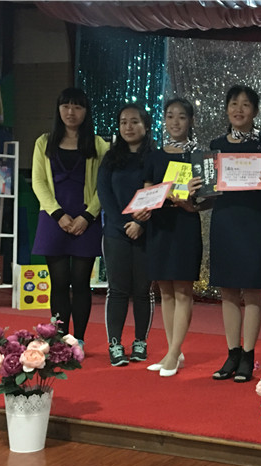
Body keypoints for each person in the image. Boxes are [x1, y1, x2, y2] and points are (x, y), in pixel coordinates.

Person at [206, 85, 261, 383]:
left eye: (246, 104)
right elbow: (208, 188)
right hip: (225, 220)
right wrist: (200, 186)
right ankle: (232, 353)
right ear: (226, 109)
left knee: (251, 289)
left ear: (256, 110)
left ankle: (248, 355)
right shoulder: (215, 145)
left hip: (256, 221)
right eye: (233, 104)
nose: (239, 109)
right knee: (227, 289)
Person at [31, 87, 109, 347]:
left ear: (86, 111)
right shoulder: (44, 142)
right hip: (53, 219)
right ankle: (59, 340)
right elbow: (38, 182)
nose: (71, 112)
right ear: (58, 109)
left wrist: (87, 215)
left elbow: (103, 185)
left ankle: (80, 340)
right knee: (59, 282)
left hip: (86, 220)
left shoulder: (99, 144)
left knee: (81, 282)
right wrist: (58, 214)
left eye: (77, 106)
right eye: (65, 106)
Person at [137, 97, 203, 377]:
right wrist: (142, 208)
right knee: (164, 290)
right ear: (164, 120)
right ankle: (172, 351)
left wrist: (189, 201)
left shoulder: (199, 157)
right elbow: (147, 192)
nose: (175, 122)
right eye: (170, 116)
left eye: (182, 117)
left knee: (183, 289)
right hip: (160, 226)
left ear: (190, 121)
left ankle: (174, 354)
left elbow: (206, 198)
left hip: (185, 224)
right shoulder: (154, 156)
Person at [97, 104, 155, 367]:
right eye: (123, 122)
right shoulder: (110, 158)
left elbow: (158, 193)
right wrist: (125, 224)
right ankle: (115, 344)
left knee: (143, 291)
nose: (128, 127)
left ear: (146, 125)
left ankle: (140, 341)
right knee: (117, 290)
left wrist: (140, 224)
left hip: (147, 231)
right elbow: (105, 195)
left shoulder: (154, 157)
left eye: (134, 121)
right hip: (115, 233)